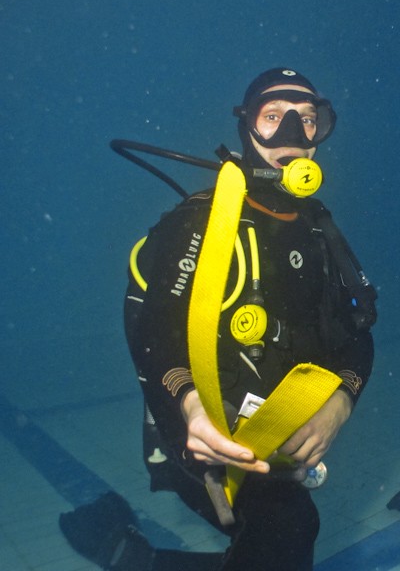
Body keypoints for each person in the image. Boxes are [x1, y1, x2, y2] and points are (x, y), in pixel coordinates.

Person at [60, 68, 376, 570]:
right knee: (289, 528)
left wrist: (341, 401)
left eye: (309, 120)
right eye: (273, 118)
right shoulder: (199, 223)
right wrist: (190, 408)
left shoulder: (319, 230)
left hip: (271, 434)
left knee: (275, 540)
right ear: (247, 128)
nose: (293, 137)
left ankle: (132, 556)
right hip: (193, 432)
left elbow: (359, 335)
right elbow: (155, 333)